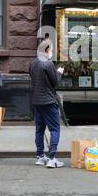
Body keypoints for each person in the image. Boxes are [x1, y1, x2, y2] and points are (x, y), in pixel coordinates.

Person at [29, 39, 65, 168]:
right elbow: (55, 82)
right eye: (51, 50)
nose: (52, 52)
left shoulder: (32, 62)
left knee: (39, 130)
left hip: (36, 100)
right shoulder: (48, 63)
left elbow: (34, 79)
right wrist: (59, 73)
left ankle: (40, 156)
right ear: (46, 50)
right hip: (48, 100)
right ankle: (51, 158)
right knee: (55, 129)